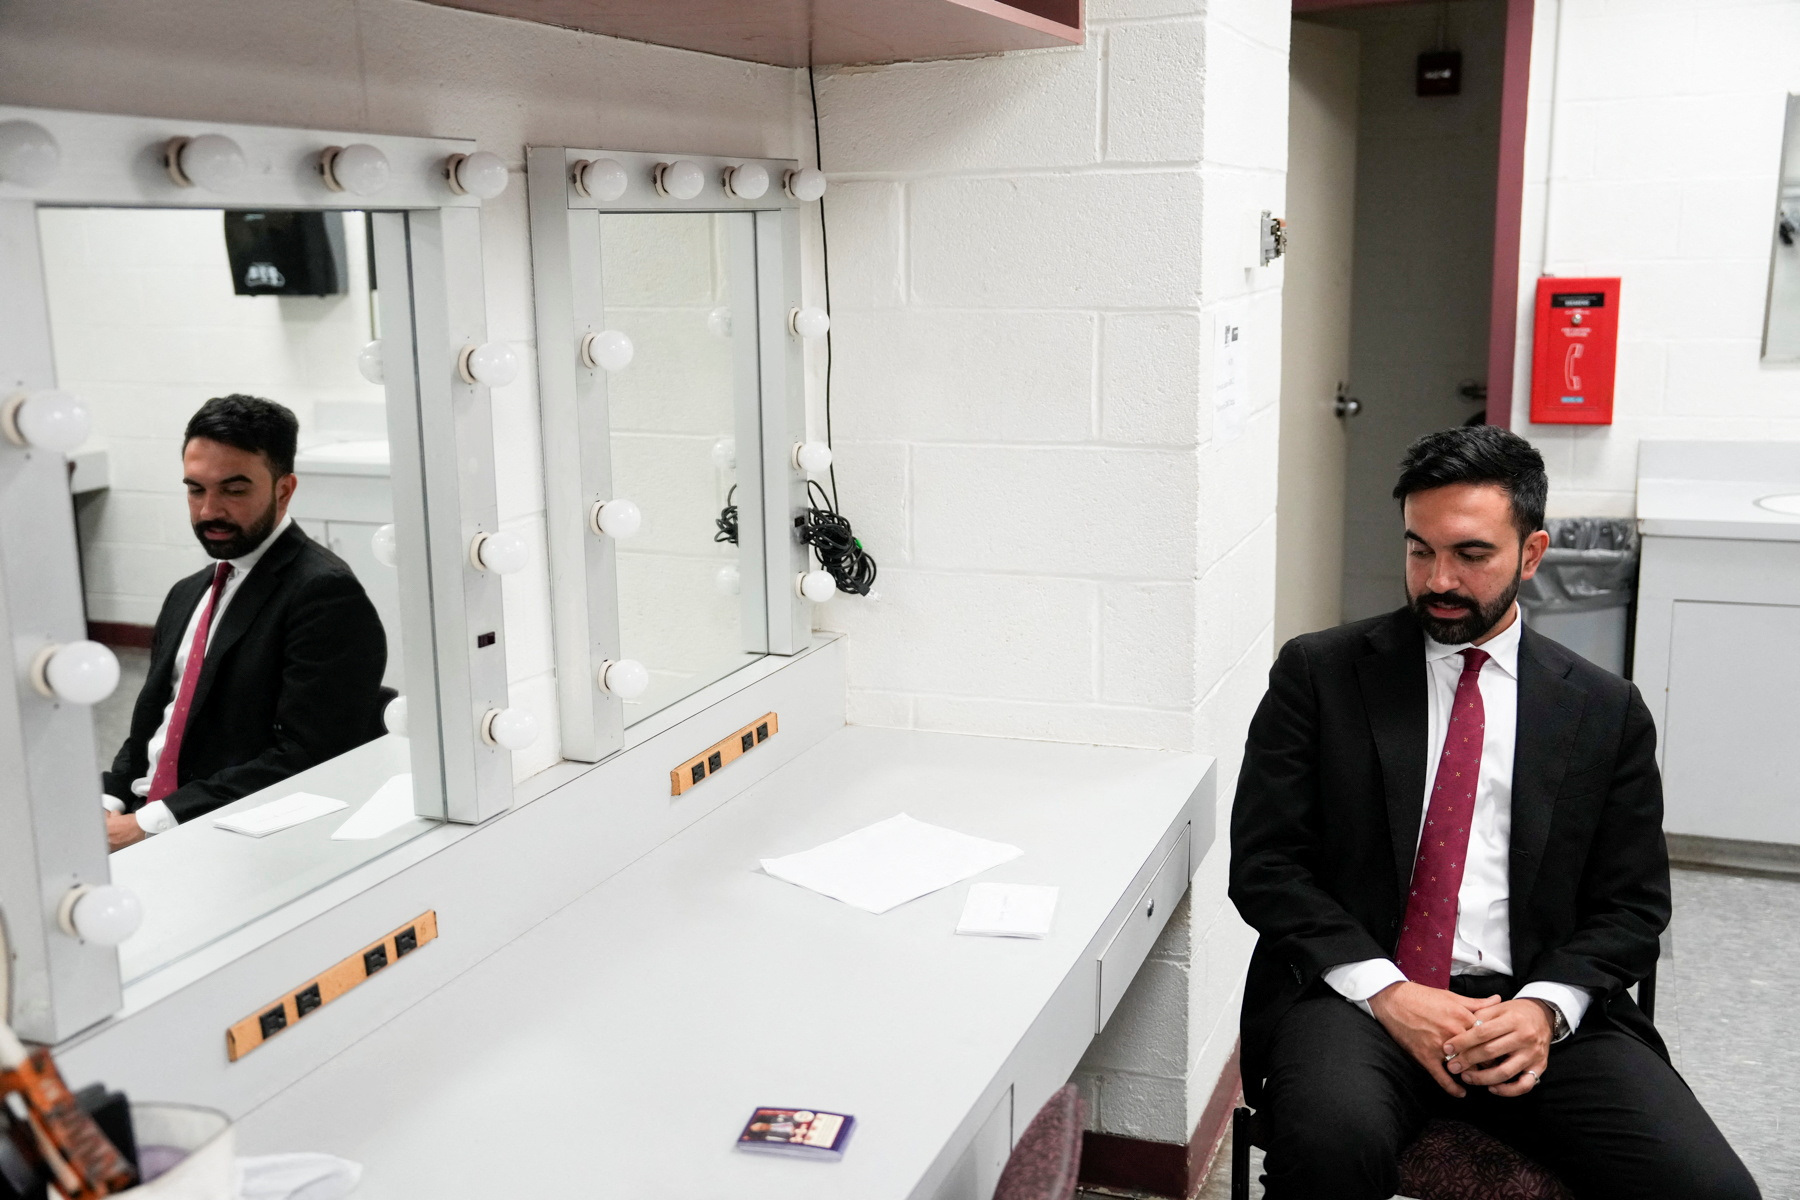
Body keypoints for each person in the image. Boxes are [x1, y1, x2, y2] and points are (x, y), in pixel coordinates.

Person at [1229, 426, 1757, 1198]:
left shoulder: (1606, 711)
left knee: (1712, 1191)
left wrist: (1545, 1010)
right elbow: (1267, 866)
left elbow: (1633, 905)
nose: (1437, 579)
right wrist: (1390, 992)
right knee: (1329, 1149)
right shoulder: (1321, 675)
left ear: (1531, 554)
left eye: (1470, 555)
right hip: (1363, 998)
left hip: (1535, 1003)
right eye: (1419, 550)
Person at [101, 395, 387, 850]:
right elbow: (154, 728)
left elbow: (309, 757)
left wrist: (150, 825)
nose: (209, 510)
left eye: (233, 490)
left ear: (283, 489)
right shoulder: (187, 592)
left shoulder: (323, 594)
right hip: (150, 820)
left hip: (225, 836)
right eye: (195, 489)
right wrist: (111, 800)